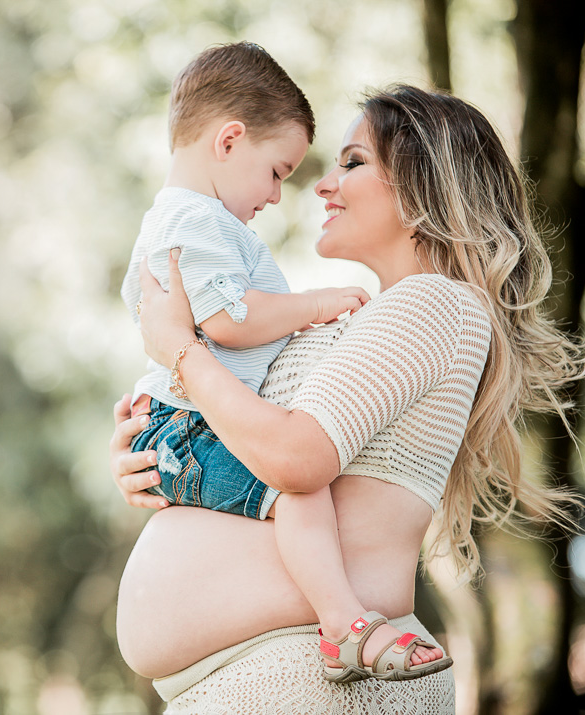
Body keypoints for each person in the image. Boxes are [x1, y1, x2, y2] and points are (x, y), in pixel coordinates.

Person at [109, 84, 585, 712]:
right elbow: (253, 442)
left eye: (353, 162)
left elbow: (298, 458)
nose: (323, 186)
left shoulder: (436, 302)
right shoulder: (368, 322)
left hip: (310, 676)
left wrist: (180, 350)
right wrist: (158, 454)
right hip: (269, 678)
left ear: (425, 186)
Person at [120, 43, 447, 687]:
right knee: (299, 496)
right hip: (183, 425)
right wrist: (312, 305)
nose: (277, 195)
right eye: (276, 172)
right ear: (229, 140)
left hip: (183, 421)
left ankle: (344, 621)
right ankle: (343, 622)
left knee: (298, 490)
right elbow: (229, 320)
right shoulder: (194, 219)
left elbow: (199, 342)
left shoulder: (194, 218)